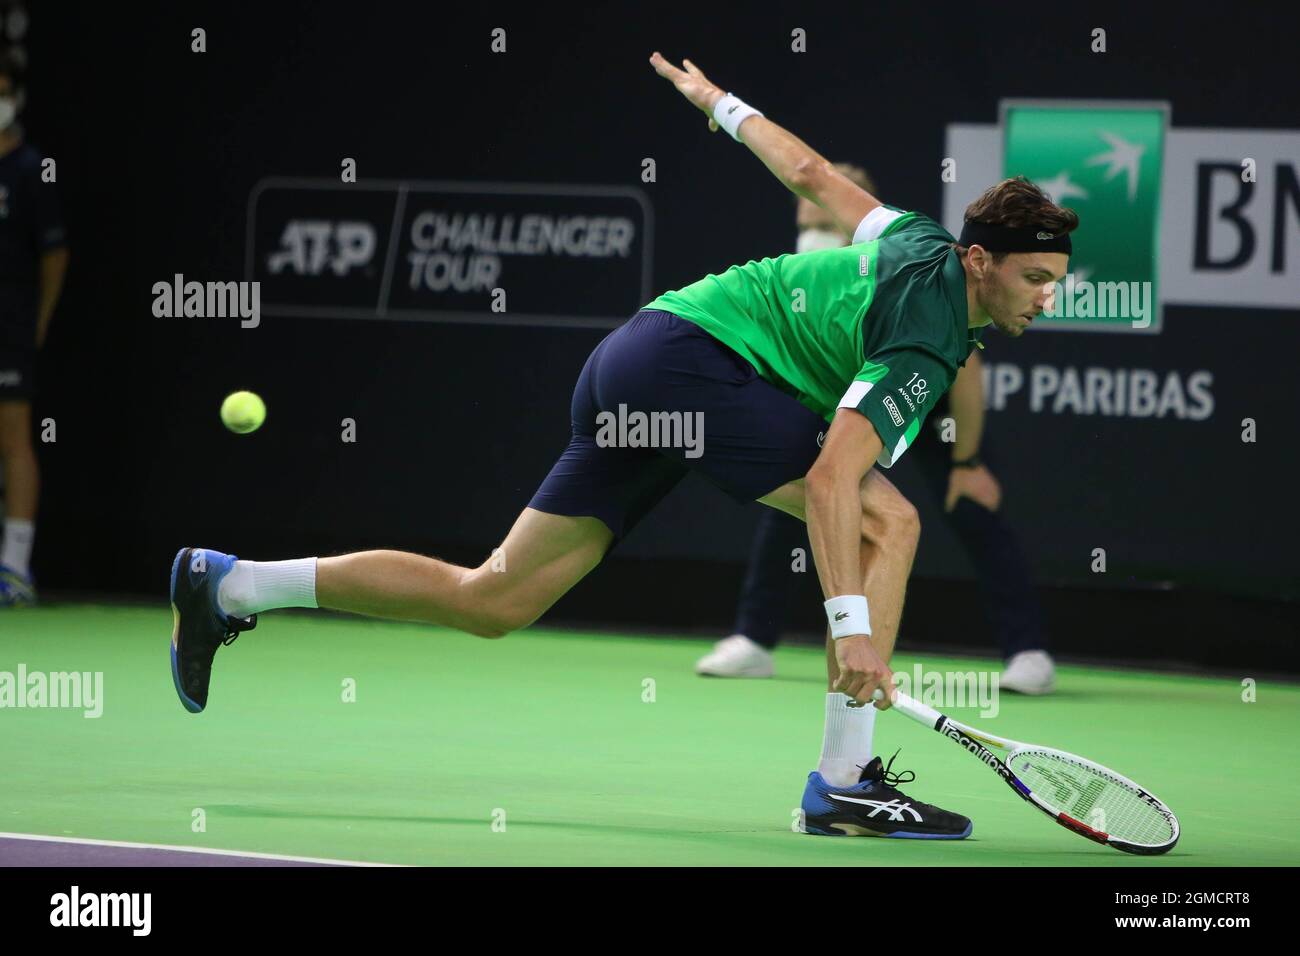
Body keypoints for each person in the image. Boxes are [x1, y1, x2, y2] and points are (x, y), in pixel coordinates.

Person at [169, 53, 1075, 839]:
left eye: (1057, 283)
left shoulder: (919, 239)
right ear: (982, 262)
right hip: (689, 367)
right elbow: (838, 479)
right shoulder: (925, 335)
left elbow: (809, 175)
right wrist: (855, 634)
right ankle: (843, 783)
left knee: (495, 597)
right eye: (1035, 278)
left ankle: (231, 582)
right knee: (891, 520)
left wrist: (721, 104)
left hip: (640, 357)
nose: (1046, 297)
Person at [697, 164, 1055, 693]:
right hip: (848, 394)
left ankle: (1029, 652)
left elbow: (965, 378)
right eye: (804, 222)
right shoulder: (818, 276)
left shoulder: (912, 276)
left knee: (971, 508)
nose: (811, 234)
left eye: (820, 223)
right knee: (800, 503)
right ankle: (754, 638)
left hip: (926, 400)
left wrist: (968, 461)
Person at [0, 49, 68, 607]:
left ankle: (15, 569)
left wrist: (38, 320)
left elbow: (54, 255)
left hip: (10, 328)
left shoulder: (30, 170)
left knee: (14, 439)